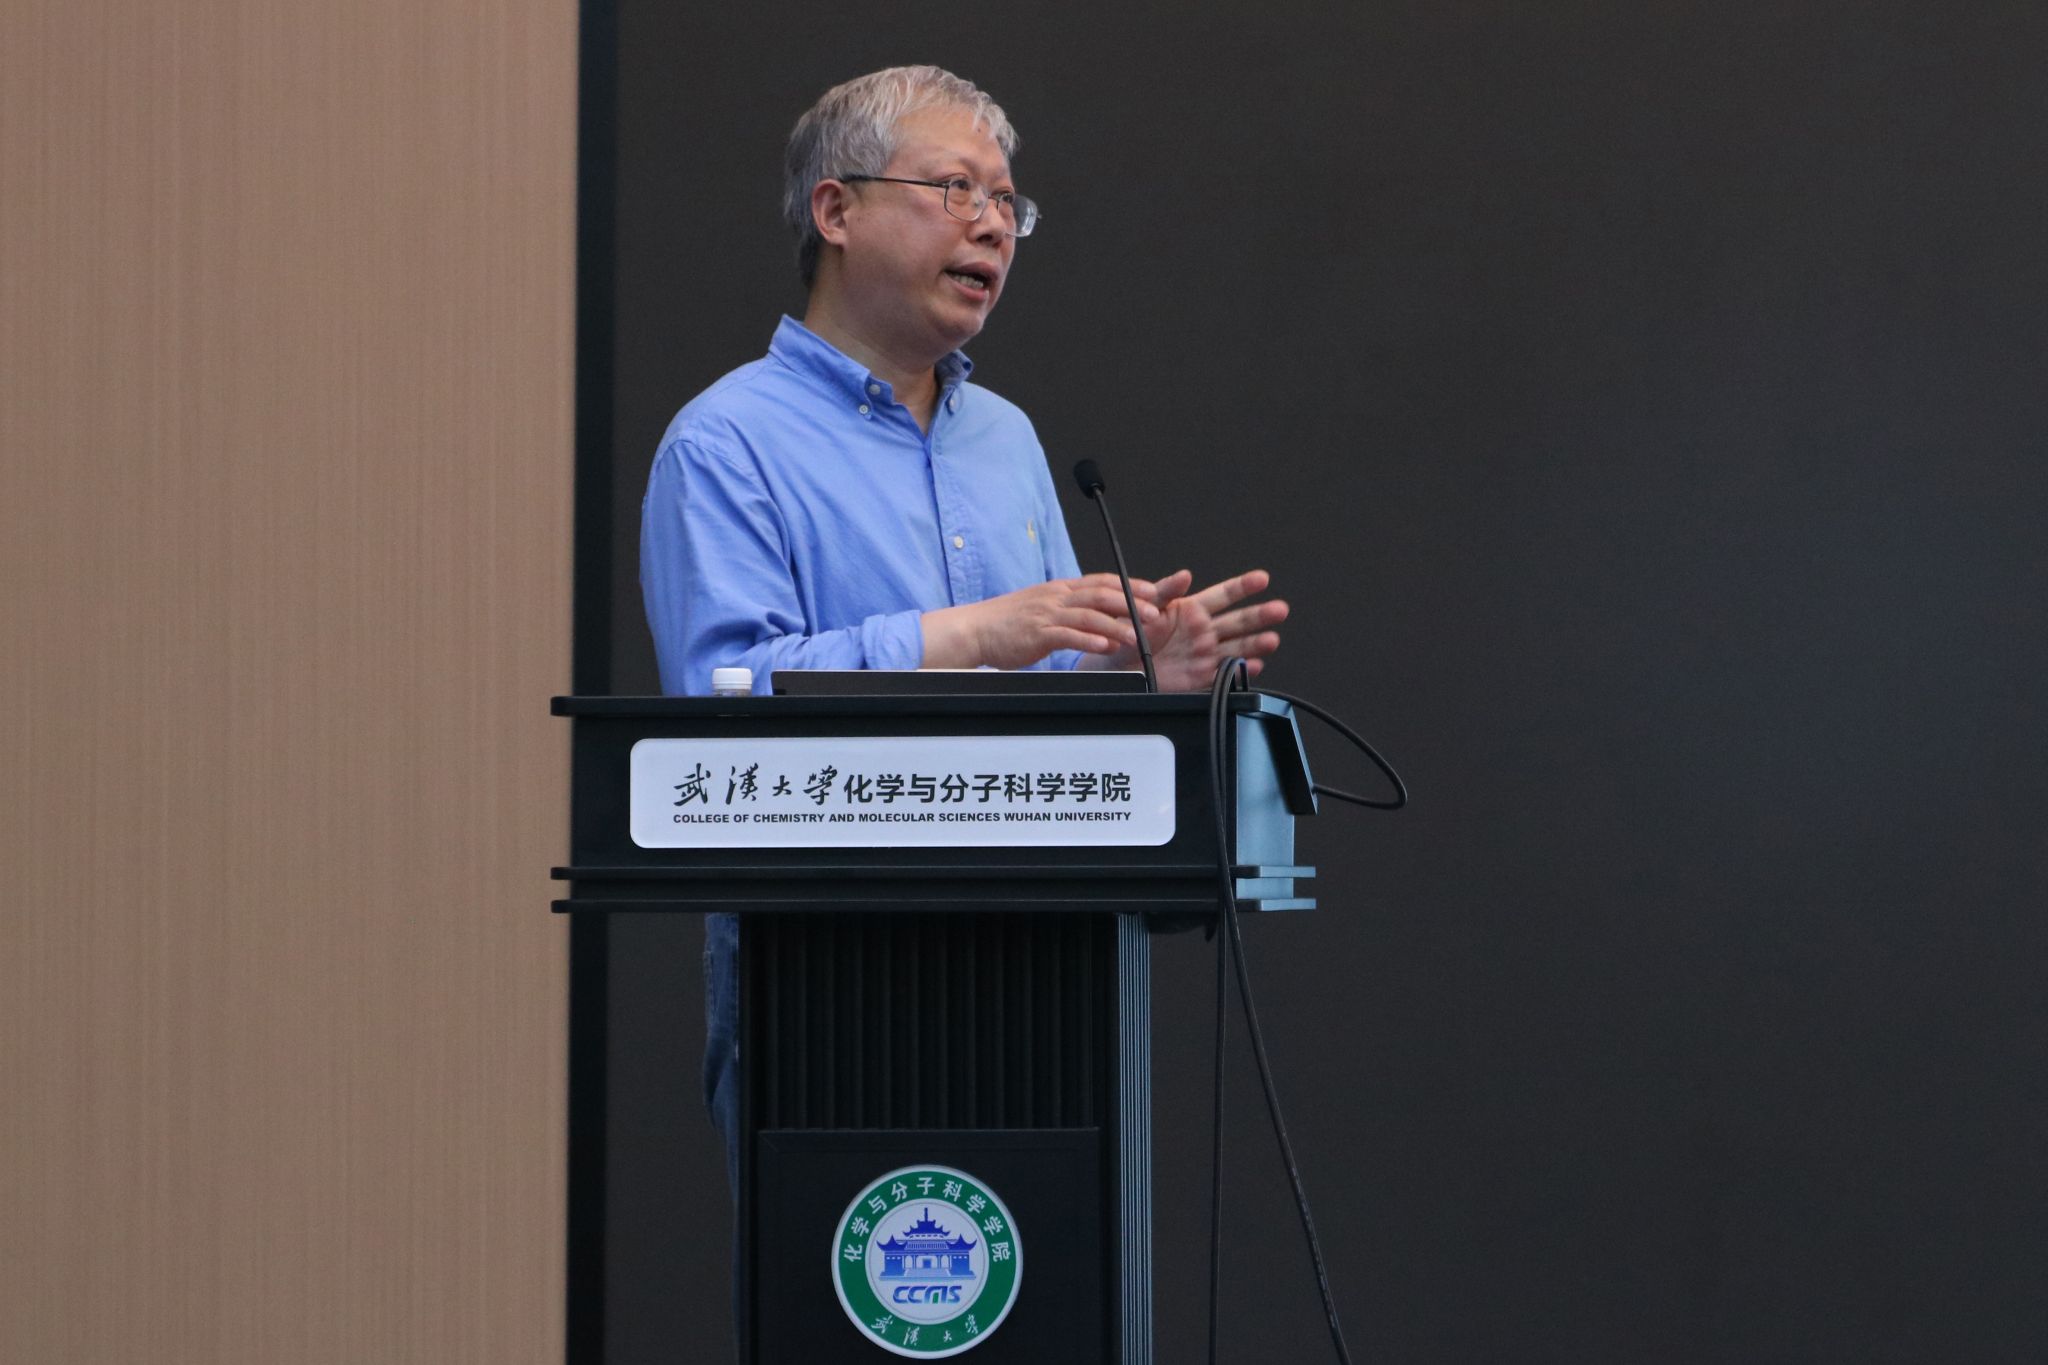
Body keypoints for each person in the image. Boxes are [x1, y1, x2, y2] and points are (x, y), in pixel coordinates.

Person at [638, 65, 1289, 1188]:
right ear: (835, 210)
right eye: (954, 189)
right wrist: (975, 633)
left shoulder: (1006, 439)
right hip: (831, 988)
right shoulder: (725, 442)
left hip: (1043, 974)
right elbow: (719, 706)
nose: (991, 224)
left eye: (1005, 203)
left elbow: (1043, 697)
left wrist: (1140, 685)